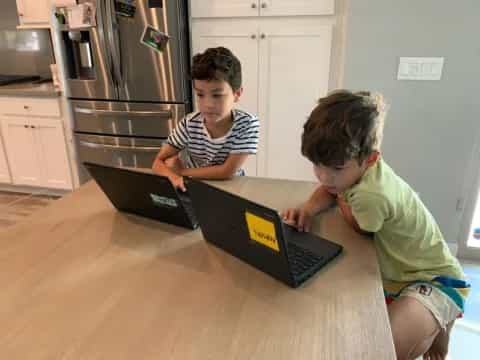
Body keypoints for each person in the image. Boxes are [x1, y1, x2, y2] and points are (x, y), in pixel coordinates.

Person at [282, 90, 469, 360]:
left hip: (434, 279)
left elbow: (358, 226)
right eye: (316, 165)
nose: (324, 176)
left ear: (370, 158)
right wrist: (308, 208)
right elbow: (330, 190)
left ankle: (439, 325)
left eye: (335, 168)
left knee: (382, 348)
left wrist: (337, 198)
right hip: (396, 273)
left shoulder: (373, 195)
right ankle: (437, 325)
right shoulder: (354, 169)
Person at [152, 47, 259, 191]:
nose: (208, 105)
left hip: (232, 188)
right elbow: (158, 162)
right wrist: (174, 178)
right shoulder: (188, 124)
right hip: (195, 187)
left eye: (217, 95)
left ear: (237, 94)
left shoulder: (248, 125)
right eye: (200, 95)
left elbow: (227, 171)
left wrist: (182, 172)